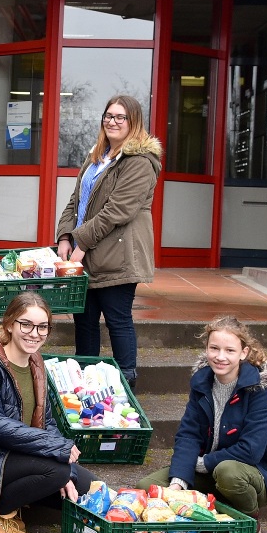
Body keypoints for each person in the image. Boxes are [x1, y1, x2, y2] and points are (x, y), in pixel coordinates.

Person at [0, 293, 95, 533]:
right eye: (25, 324)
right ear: (9, 324)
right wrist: (58, 454)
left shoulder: (36, 362)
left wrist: (64, 461)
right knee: (57, 471)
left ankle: (18, 501)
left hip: (18, 453)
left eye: (42, 327)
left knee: (87, 488)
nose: (34, 333)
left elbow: (46, 423)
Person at [137, 316, 267, 533]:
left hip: (253, 473)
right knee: (147, 486)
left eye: (230, 350)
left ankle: (249, 520)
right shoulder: (202, 383)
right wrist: (177, 484)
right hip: (209, 468)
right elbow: (188, 434)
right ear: (206, 349)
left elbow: (251, 449)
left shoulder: (259, 389)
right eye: (214, 348)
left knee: (228, 473)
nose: (220, 357)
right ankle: (205, 515)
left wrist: (204, 463)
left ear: (244, 353)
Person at [55, 95, 162, 389]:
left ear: (134, 122)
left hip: (117, 254)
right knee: (84, 322)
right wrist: (65, 236)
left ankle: (126, 384)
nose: (112, 121)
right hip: (85, 252)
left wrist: (80, 243)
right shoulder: (98, 157)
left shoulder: (140, 162)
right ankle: (83, 384)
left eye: (120, 117)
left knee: (117, 320)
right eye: (108, 116)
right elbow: (76, 202)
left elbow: (117, 210)